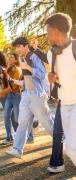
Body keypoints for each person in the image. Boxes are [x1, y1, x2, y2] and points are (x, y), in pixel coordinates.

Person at [6, 37, 54, 158]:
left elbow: (43, 74)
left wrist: (28, 68)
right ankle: (17, 149)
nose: (17, 49)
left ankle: (63, 138)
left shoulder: (33, 57)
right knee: (22, 122)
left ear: (26, 46)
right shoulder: (23, 58)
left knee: (47, 123)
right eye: (16, 47)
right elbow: (27, 80)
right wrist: (14, 81)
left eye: (19, 47)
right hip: (26, 95)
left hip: (37, 96)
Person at [46, 13, 76, 166]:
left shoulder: (75, 47)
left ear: (56, 31)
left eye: (48, 32)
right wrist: (51, 78)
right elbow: (55, 77)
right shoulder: (51, 53)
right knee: (72, 148)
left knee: (72, 149)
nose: (47, 37)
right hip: (64, 104)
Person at [0, 53, 35, 144]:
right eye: (9, 57)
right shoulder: (8, 69)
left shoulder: (17, 70)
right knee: (6, 116)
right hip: (9, 96)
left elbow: (13, 86)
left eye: (11, 57)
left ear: (15, 59)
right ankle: (9, 137)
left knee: (18, 118)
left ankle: (29, 136)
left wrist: (2, 93)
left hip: (16, 95)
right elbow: (6, 83)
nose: (9, 59)